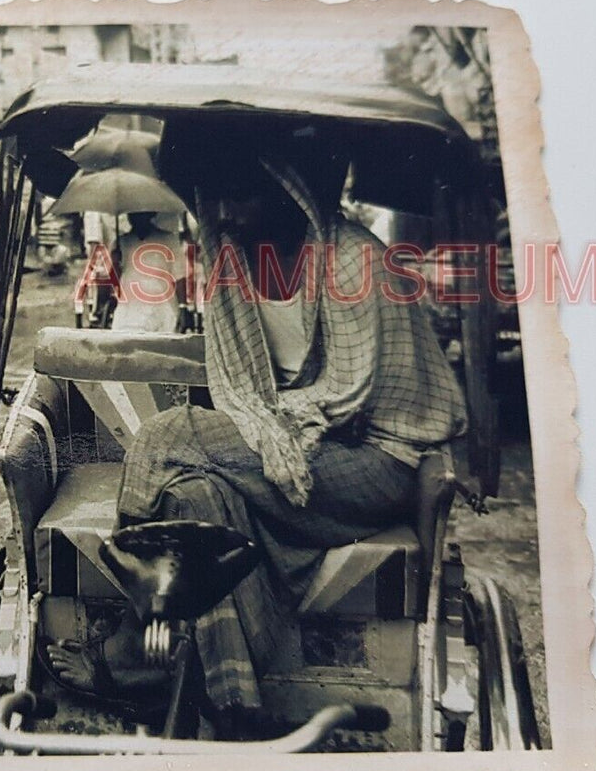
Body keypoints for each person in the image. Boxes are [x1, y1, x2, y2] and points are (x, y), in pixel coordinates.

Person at [48, 151, 466, 728]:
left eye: (239, 197)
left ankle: (129, 635)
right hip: (304, 449)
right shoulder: (238, 261)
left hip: (375, 460)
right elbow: (243, 381)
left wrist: (260, 425)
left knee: (171, 433)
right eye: (213, 199)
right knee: (195, 498)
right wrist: (258, 426)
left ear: (286, 190)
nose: (225, 214)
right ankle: (236, 704)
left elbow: (348, 397)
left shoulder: (352, 259)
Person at [111, 211, 189, 333]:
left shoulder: (169, 239)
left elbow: (179, 276)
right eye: (132, 214)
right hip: (130, 312)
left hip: (161, 310)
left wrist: (183, 307)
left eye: (140, 214)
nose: (135, 218)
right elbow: (115, 281)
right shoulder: (122, 242)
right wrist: (114, 262)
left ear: (150, 214)